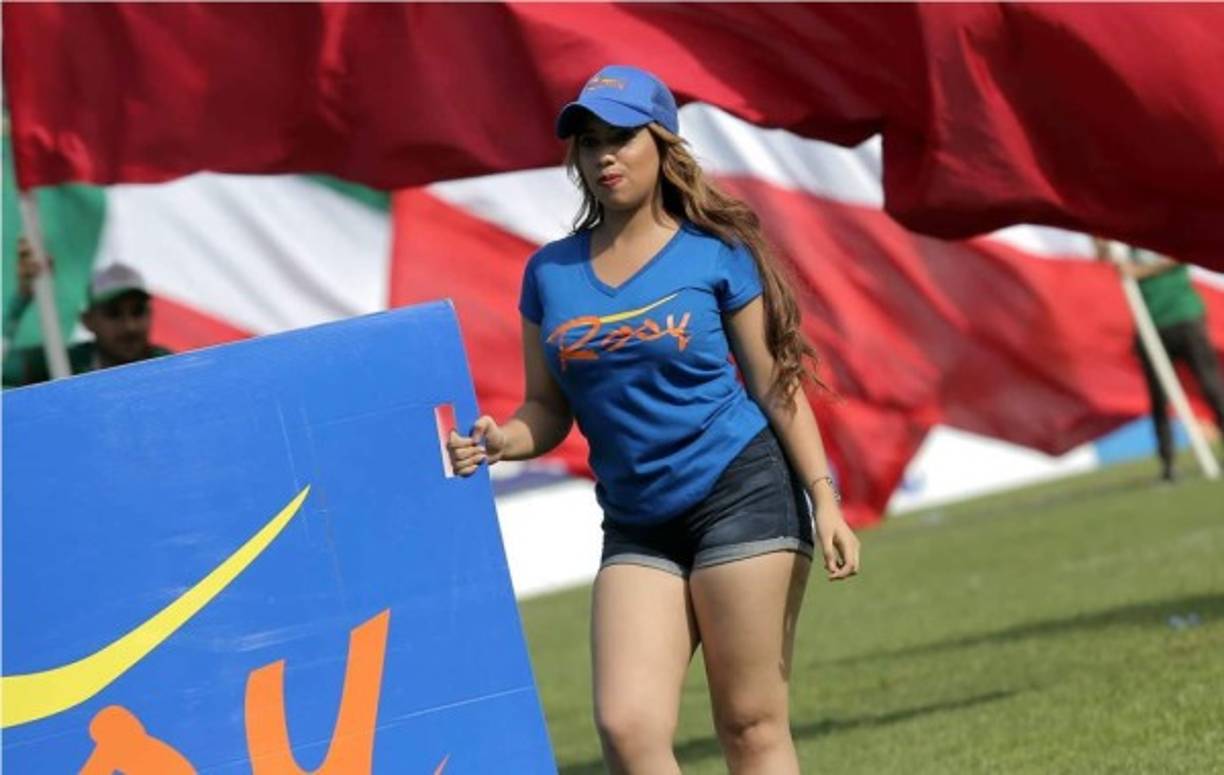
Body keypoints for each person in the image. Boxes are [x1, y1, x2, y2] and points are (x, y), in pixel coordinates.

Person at [447, 65, 860, 774]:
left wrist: (825, 499)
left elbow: (775, 383)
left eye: (619, 137)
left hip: (743, 494)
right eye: (588, 142)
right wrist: (501, 439)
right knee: (627, 727)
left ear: (662, 143)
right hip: (638, 519)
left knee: (750, 723)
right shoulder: (549, 273)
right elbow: (547, 408)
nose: (603, 156)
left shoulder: (713, 252)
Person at [1110, 243, 1224, 481]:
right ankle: (1168, 464)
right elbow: (1108, 260)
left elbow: (1181, 254)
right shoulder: (1124, 239)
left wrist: (1141, 271)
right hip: (1150, 326)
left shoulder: (1165, 224)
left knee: (1212, 387)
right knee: (1159, 399)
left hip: (1184, 316)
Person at [3, 237, 172, 387]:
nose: (130, 326)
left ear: (151, 314)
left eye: (138, 312)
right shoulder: (66, 363)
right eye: (113, 314)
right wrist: (21, 299)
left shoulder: (171, 367)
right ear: (87, 321)